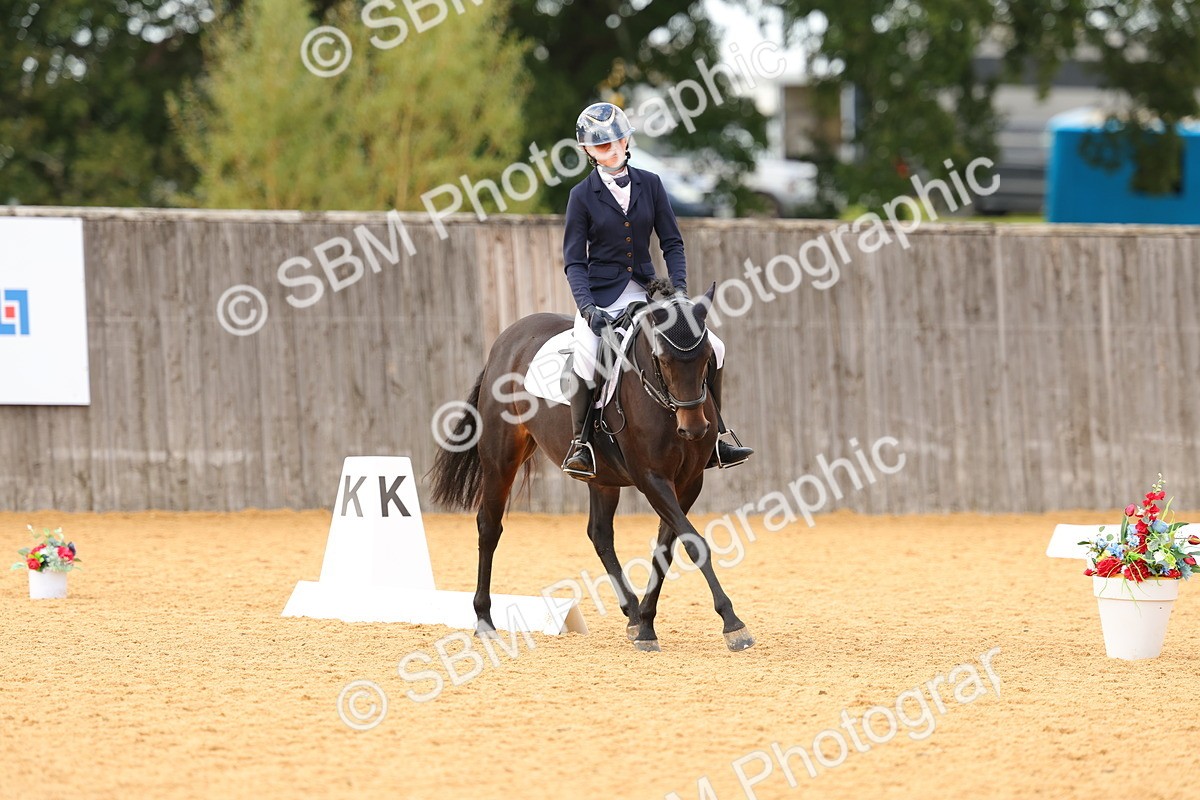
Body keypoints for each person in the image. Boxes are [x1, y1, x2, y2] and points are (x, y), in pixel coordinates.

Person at [560, 101, 753, 480]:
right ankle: (581, 444)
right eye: (602, 146)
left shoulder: (650, 184)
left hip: (648, 293)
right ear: (587, 150)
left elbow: (672, 243)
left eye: (617, 141)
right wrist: (587, 308)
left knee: (715, 346)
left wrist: (679, 291)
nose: (612, 150)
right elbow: (574, 261)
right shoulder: (581, 196)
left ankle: (716, 436)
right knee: (587, 355)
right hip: (601, 298)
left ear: (627, 140)